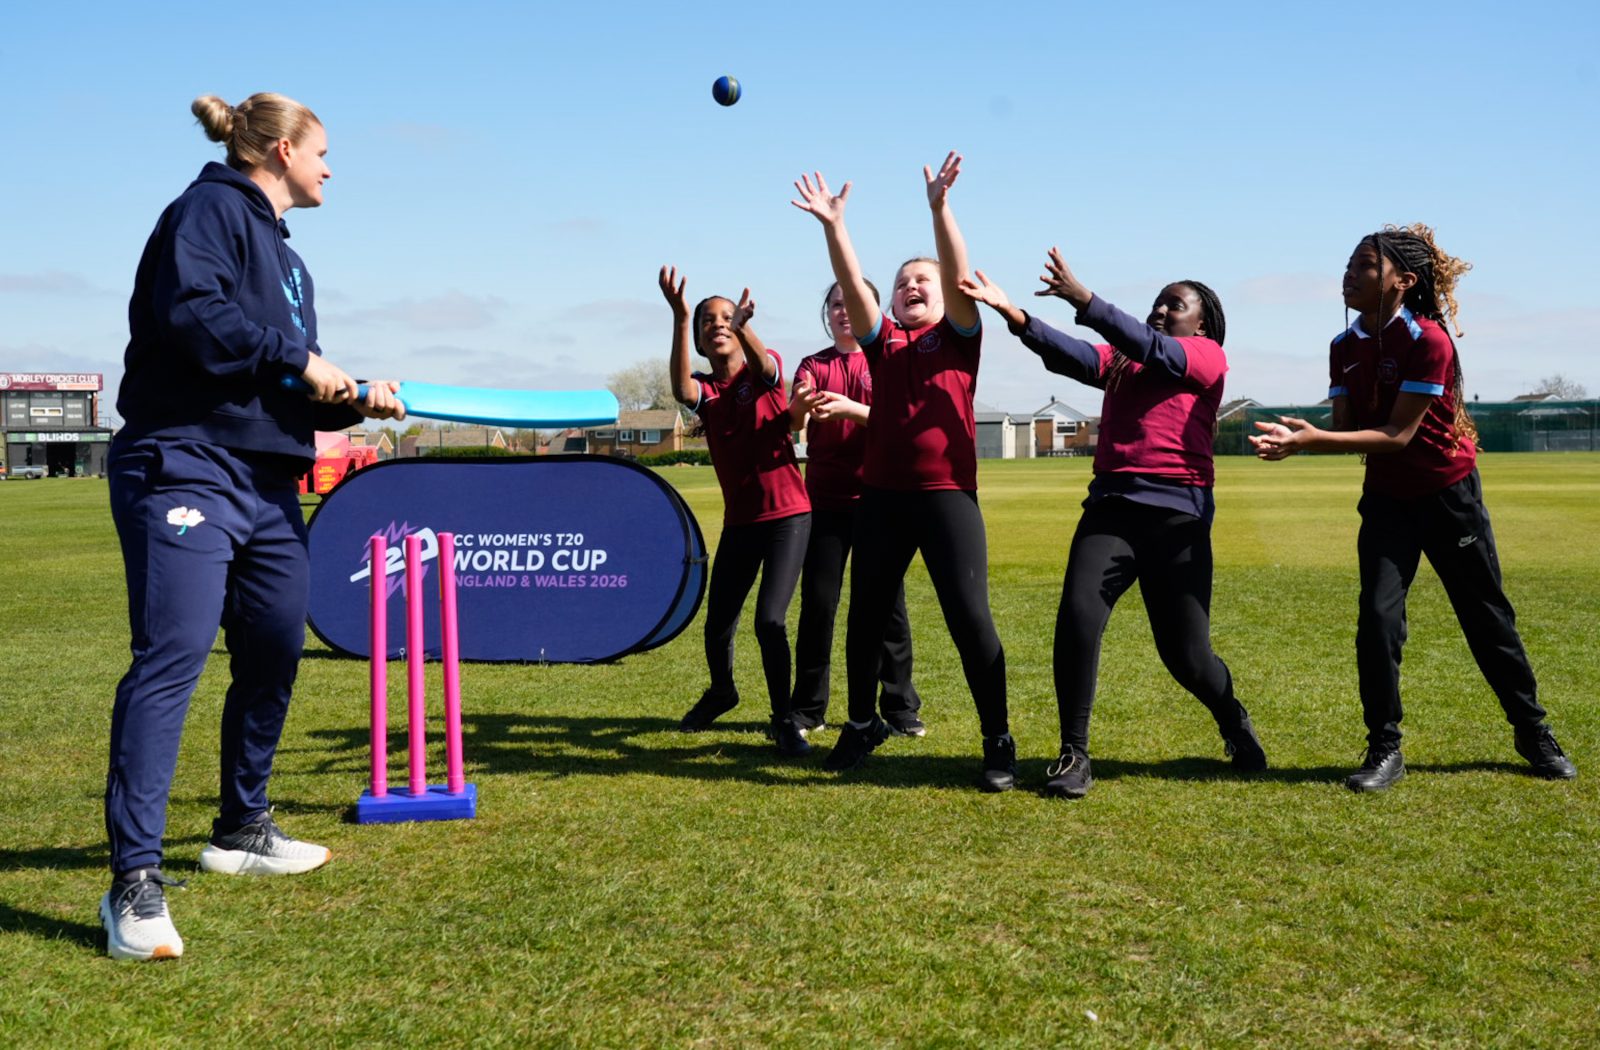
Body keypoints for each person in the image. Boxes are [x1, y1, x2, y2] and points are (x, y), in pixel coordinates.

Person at [102, 92, 405, 961]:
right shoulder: (208, 210)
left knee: (274, 647)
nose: (330, 167)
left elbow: (279, 381)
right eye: (321, 152)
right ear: (276, 149)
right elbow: (193, 318)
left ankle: (241, 828)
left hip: (270, 478)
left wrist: (350, 400)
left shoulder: (291, 262)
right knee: (174, 656)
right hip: (184, 462)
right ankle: (133, 882)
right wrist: (303, 362)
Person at [1251, 223, 1577, 791]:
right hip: (1387, 502)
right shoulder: (1343, 346)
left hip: (1448, 496)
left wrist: (1311, 440)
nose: (1349, 274)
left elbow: (1398, 435)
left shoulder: (1430, 341)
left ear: (1402, 281)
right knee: (1377, 622)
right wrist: (1296, 438)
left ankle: (1532, 730)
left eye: (1364, 266)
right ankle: (1384, 748)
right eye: (1348, 264)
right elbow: (1352, 430)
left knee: (1486, 619)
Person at [960, 252, 1266, 799]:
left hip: (1178, 517)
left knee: (1187, 658)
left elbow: (1156, 349)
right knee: (1077, 616)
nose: (1160, 310)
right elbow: (1073, 355)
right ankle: (1073, 754)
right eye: (1157, 302)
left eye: (1176, 304)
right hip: (1113, 509)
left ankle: (1231, 715)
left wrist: (1085, 299)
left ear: (1203, 323)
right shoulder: (1123, 363)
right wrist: (1015, 314)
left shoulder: (1205, 357)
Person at [791, 155, 1014, 791]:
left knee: (971, 619)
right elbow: (851, 284)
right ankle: (862, 725)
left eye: (924, 280)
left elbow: (958, 270)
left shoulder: (960, 336)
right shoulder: (882, 342)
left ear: (946, 295)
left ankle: (997, 739)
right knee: (864, 619)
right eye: (903, 282)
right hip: (882, 498)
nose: (912, 286)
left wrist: (939, 208)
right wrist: (834, 226)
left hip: (947, 499)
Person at [658, 267, 813, 757]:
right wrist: (681, 317)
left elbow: (767, 363)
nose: (718, 324)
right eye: (710, 320)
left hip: (789, 518)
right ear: (701, 338)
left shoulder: (761, 376)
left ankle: (784, 719)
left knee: (769, 620)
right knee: (717, 623)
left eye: (726, 317)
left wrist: (745, 324)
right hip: (740, 525)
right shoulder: (708, 394)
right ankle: (723, 692)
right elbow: (683, 391)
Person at [786, 280, 924, 738]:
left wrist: (853, 410)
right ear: (827, 312)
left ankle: (901, 705)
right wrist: (799, 410)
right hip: (825, 501)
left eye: (853, 302)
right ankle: (808, 707)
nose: (845, 312)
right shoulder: (812, 365)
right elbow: (796, 424)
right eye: (837, 304)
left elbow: (904, 422)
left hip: (880, 500)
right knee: (819, 605)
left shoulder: (889, 358)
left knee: (889, 610)